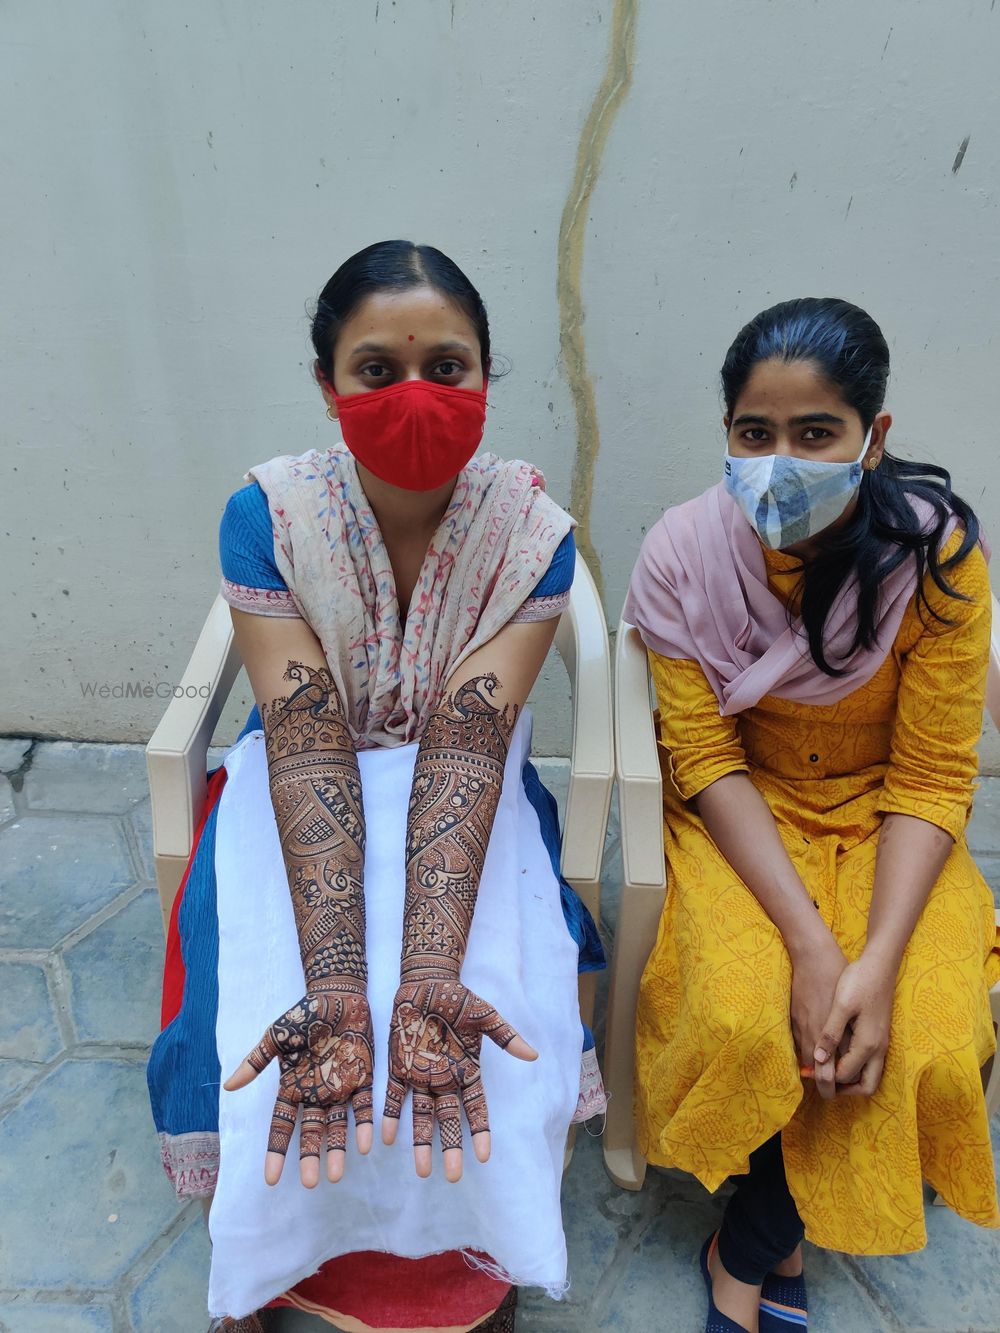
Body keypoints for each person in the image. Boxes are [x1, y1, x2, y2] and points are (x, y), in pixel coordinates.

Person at [146, 239, 606, 1332]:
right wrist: (345, 984)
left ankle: (459, 1250)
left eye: (447, 366)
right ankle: (261, 1256)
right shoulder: (269, 514)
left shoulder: (530, 536)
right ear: (326, 384)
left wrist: (424, 974)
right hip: (307, 780)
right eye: (376, 367)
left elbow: (465, 748)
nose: (414, 394)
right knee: (262, 1000)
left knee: (495, 995)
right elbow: (305, 742)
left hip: (465, 786)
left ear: (487, 378)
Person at [624, 297, 1000, 1333]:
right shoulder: (683, 557)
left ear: (872, 438)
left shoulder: (939, 561)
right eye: (754, 433)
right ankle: (760, 1244)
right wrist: (808, 943)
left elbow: (931, 773)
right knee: (754, 1016)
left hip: (891, 822)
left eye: (815, 433)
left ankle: (740, 1250)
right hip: (741, 815)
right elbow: (701, 758)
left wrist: (872, 959)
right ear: (728, 434)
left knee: (914, 1036)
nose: (778, 460)